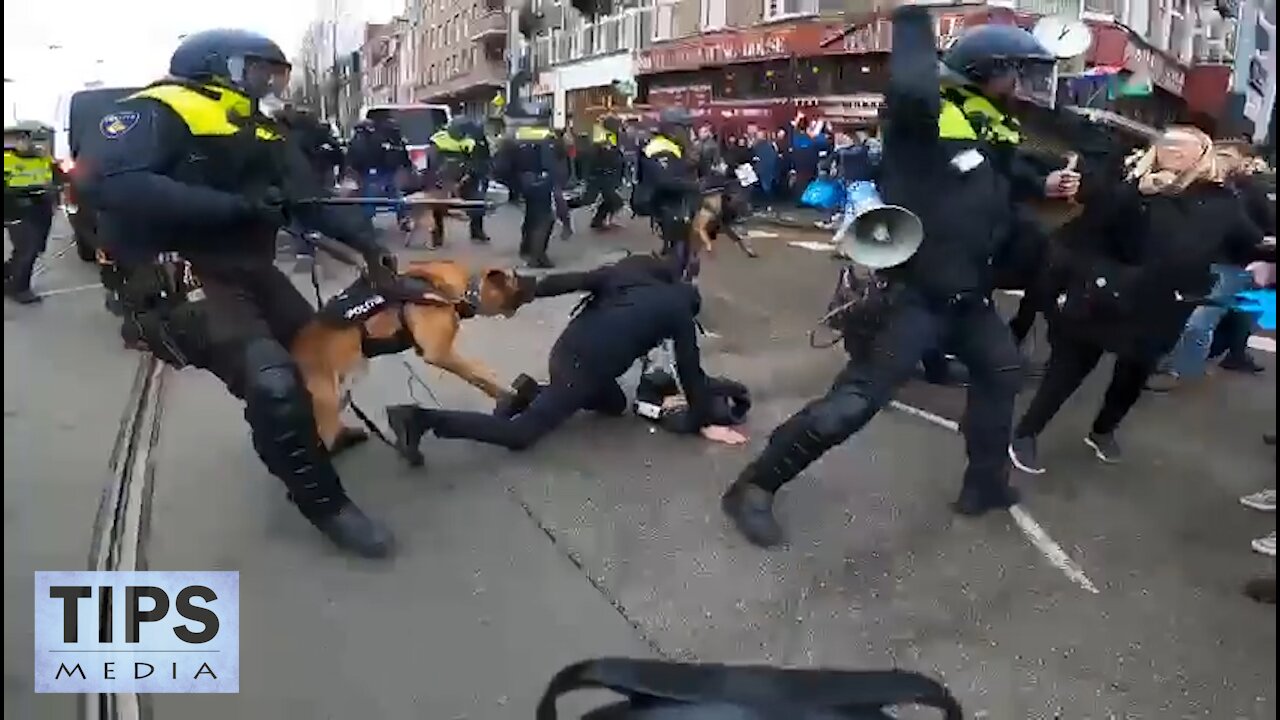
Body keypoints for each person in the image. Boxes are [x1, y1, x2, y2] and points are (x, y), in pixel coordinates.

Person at [721, 8, 1080, 548]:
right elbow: (913, 79)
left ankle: (984, 483)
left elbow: (1003, 179)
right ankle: (753, 487)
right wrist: (913, 18)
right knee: (857, 401)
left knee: (1001, 373)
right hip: (916, 295)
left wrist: (1047, 184)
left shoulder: (988, 133)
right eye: (1015, 72)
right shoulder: (923, 116)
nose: (1022, 85)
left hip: (969, 296)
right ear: (986, 71)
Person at [80, 29, 399, 558]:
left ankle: (316, 431)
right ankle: (326, 505)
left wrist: (368, 245)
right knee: (272, 381)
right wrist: (237, 207)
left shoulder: (265, 128)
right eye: (259, 71)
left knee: (325, 349)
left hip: (250, 269)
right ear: (217, 68)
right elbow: (110, 182)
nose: (270, 83)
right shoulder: (155, 109)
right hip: (182, 277)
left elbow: (306, 200)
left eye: (277, 74)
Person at [1008, 127, 1273, 473]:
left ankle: (1103, 430)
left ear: (1202, 155)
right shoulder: (1132, 186)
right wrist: (1133, 191)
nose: (1173, 152)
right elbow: (1089, 227)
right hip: (1104, 294)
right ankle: (1026, 433)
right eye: (1169, 145)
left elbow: (1249, 244)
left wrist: (1265, 257)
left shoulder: (1223, 203)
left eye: (1183, 147)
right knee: (1069, 368)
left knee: (1132, 377)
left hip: (1162, 305)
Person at [383, 254, 747, 458]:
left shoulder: (630, 273)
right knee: (519, 435)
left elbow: (569, 280)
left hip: (568, 350)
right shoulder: (680, 314)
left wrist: (523, 290)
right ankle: (420, 419)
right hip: (581, 372)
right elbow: (690, 372)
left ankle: (531, 392)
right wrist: (705, 422)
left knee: (615, 404)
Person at [633, 107, 701, 279]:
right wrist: (695, 186)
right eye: (685, 127)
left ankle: (674, 279)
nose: (689, 132)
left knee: (680, 249)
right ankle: (672, 284)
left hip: (674, 206)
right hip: (668, 207)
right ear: (674, 128)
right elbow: (666, 181)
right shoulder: (660, 148)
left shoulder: (671, 146)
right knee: (678, 253)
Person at [276, 103, 343, 271]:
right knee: (316, 213)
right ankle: (319, 246)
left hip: (294, 182)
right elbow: (338, 153)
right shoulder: (321, 134)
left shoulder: (286, 137)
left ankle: (305, 250)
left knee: (297, 217)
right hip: (320, 180)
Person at [492, 99, 559, 268]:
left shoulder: (518, 134)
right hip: (538, 180)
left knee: (531, 217)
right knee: (545, 218)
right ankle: (537, 256)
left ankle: (527, 249)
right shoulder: (542, 135)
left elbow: (503, 164)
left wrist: (514, 184)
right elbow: (548, 159)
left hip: (524, 181)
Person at [3, 126, 61, 304]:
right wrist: (20, 195)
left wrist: (54, 193)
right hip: (15, 209)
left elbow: (54, 180)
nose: (31, 144)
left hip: (40, 209)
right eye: (23, 139)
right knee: (27, 249)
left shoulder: (43, 160)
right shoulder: (7, 160)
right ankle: (19, 289)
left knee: (33, 249)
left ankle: (9, 273)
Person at [422, 116, 490, 247]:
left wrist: (468, 176)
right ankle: (437, 235)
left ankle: (477, 231)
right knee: (437, 206)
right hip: (442, 177)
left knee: (477, 202)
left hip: (465, 177)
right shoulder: (438, 139)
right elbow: (432, 162)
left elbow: (476, 160)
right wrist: (438, 179)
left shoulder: (471, 140)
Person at [347, 110, 413, 231]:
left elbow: (355, 155)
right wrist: (406, 165)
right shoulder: (390, 135)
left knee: (370, 195)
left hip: (371, 170)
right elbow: (399, 152)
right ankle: (402, 216)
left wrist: (355, 169)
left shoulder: (362, 138)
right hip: (386, 168)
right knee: (393, 192)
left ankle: (366, 221)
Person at [570, 115, 626, 230]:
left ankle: (598, 220)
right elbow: (593, 157)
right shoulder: (602, 139)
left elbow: (616, 155)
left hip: (606, 175)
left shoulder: (613, 137)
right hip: (598, 175)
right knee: (588, 199)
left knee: (612, 199)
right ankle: (564, 206)